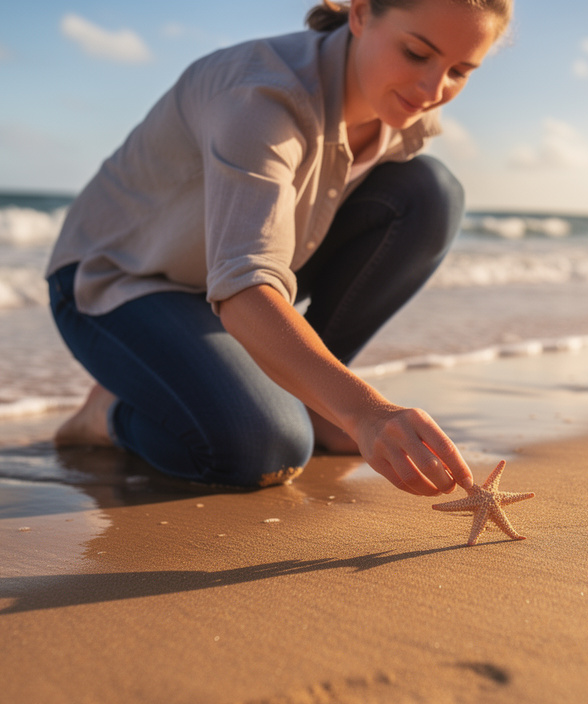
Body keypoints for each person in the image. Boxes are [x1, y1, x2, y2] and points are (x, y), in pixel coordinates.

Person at [46, 0, 511, 497]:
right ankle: (107, 415)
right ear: (359, 14)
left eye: (460, 71)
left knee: (428, 194)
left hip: (227, 277)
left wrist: (344, 406)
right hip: (118, 282)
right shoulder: (260, 95)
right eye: (417, 53)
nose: (432, 90)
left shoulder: (402, 107)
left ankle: (312, 402)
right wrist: (367, 412)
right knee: (264, 450)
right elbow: (245, 286)